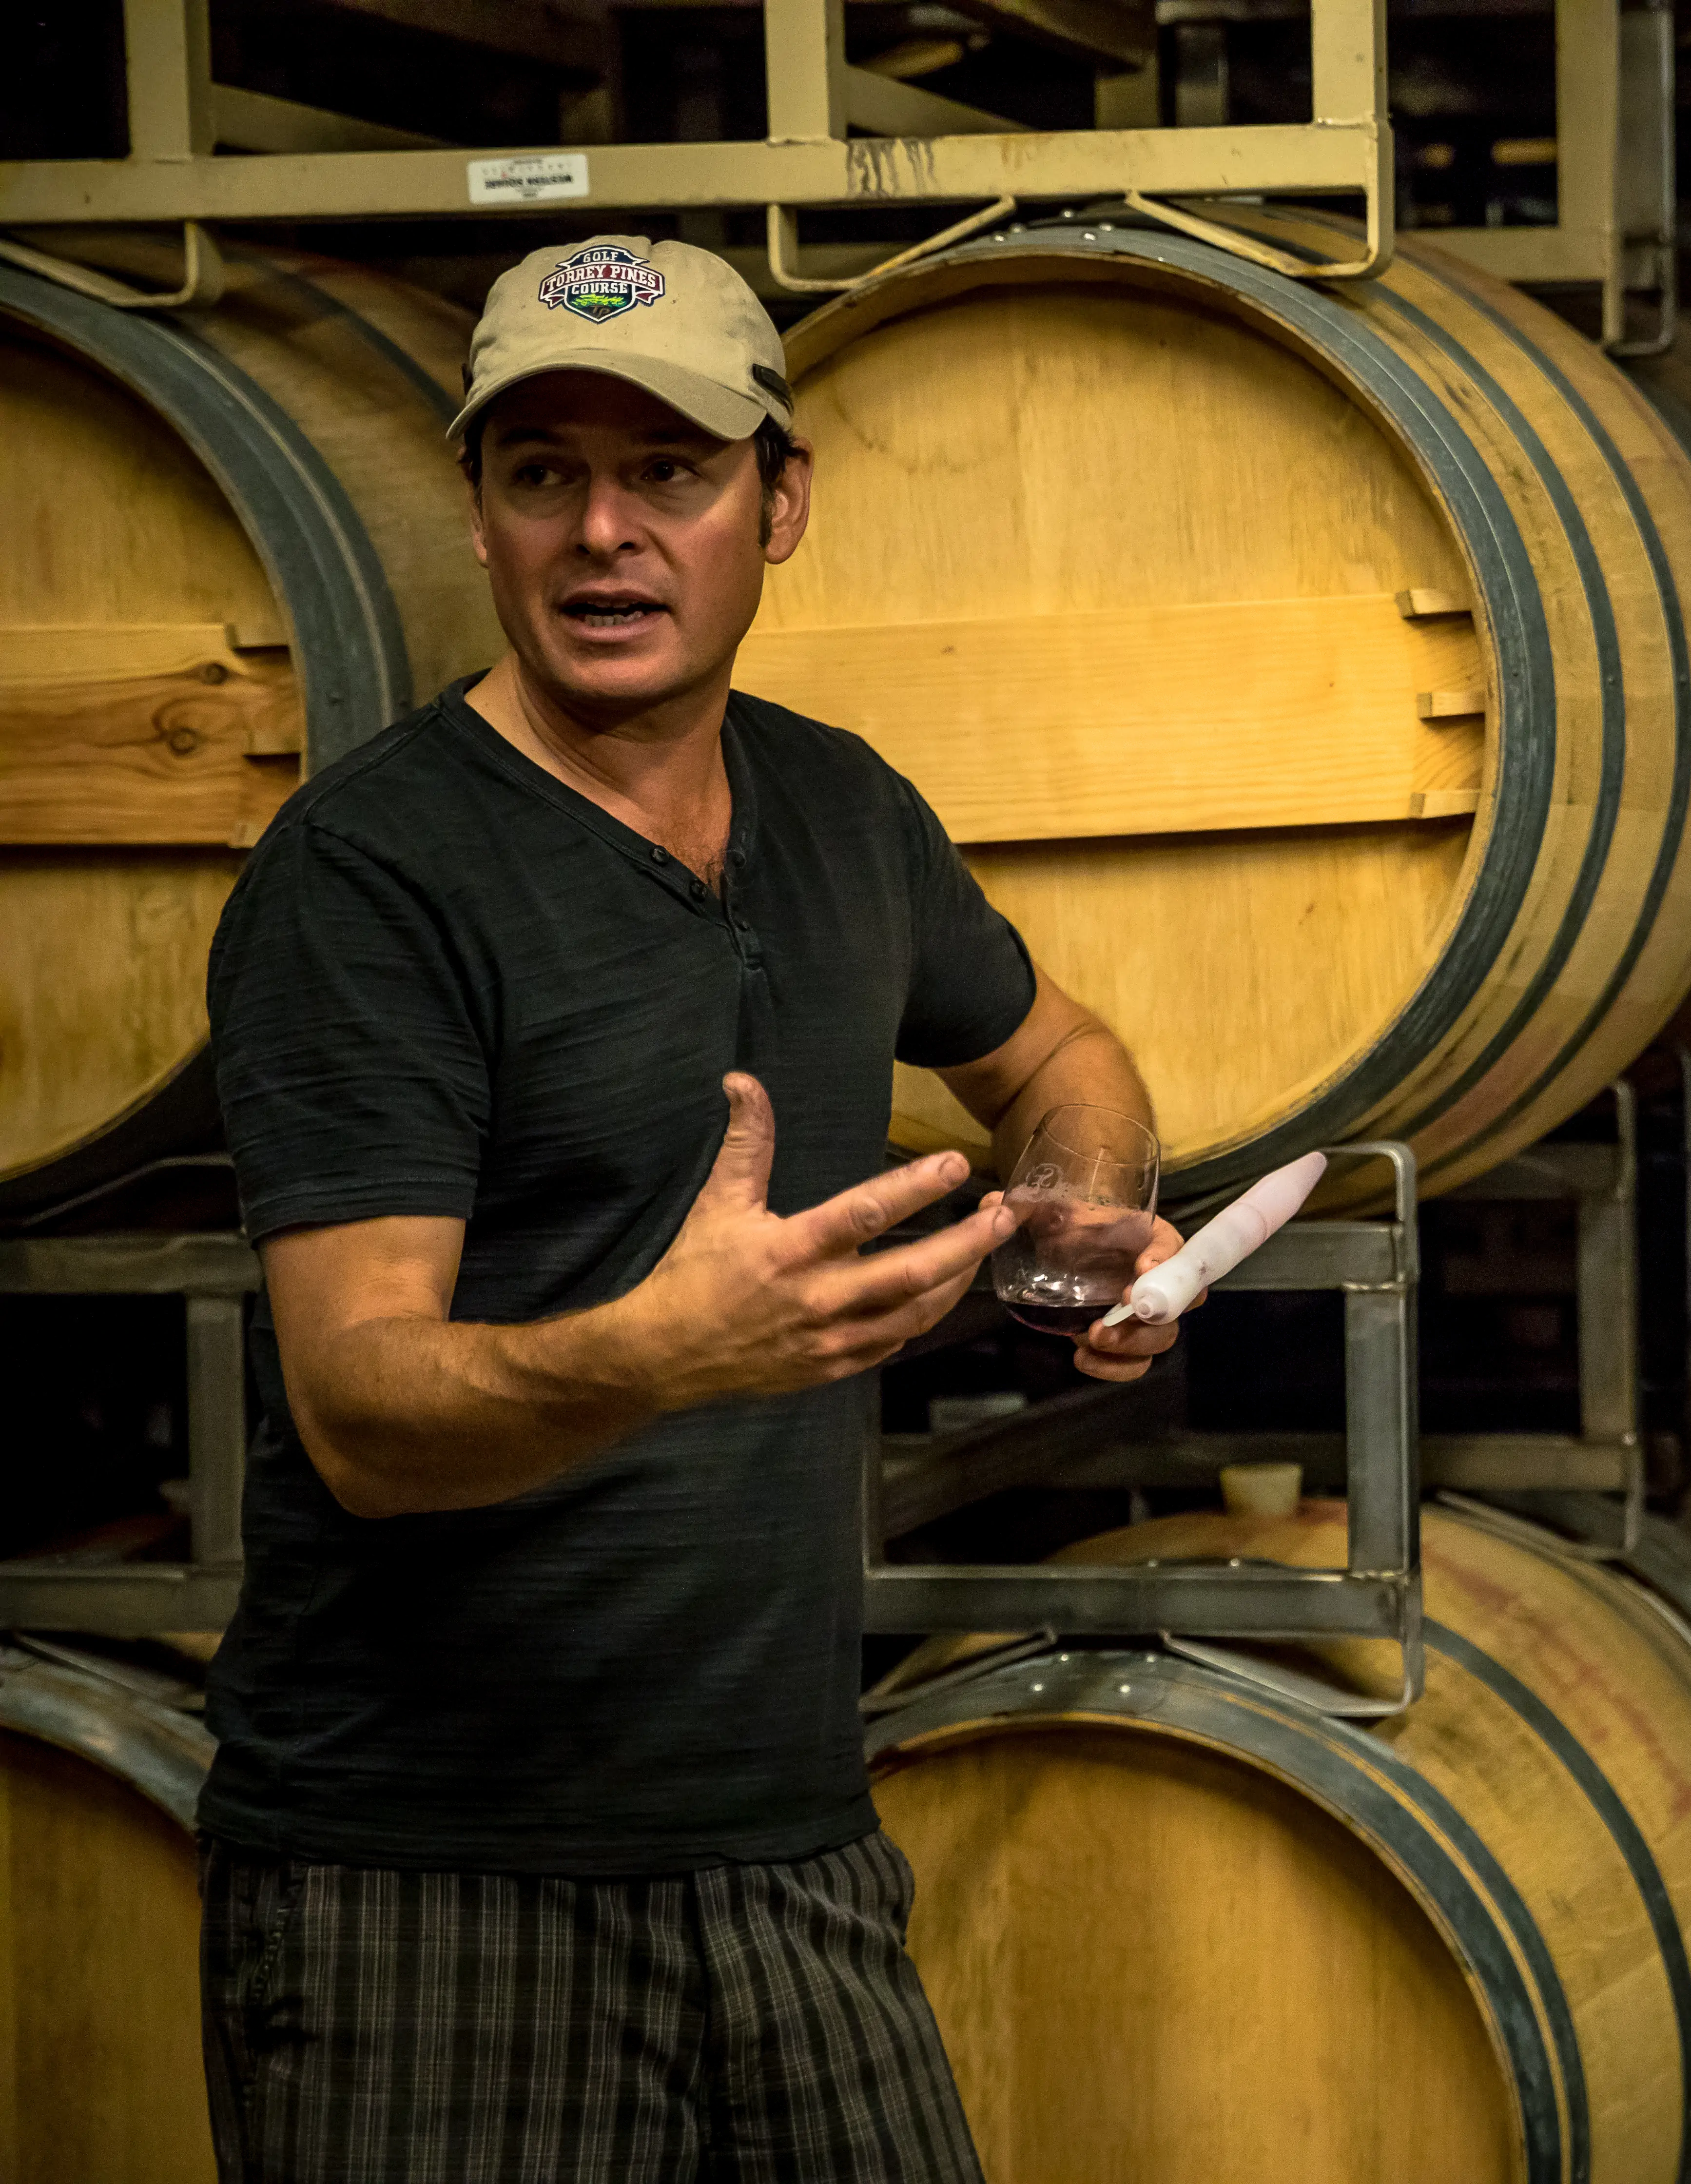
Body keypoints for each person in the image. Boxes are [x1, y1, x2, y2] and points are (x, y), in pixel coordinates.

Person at [195, 234, 1179, 2180]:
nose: (604, 533)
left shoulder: (845, 812)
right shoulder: (372, 877)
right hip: (435, 1873)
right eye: (543, 471)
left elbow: (1068, 1056)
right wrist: (665, 1351)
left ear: (780, 500)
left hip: (789, 1829)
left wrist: (1077, 1232)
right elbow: (363, 1412)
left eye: (672, 471)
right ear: (477, 515)